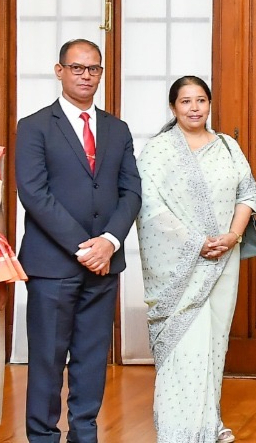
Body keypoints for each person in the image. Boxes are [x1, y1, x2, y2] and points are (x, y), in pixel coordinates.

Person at [15, 39, 141, 443]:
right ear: (60, 71)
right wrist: (86, 247)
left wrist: (110, 242)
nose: (86, 76)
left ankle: (84, 434)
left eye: (94, 69)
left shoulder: (117, 129)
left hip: (105, 264)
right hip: (52, 265)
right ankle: (42, 436)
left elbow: (131, 192)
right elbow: (34, 194)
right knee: (48, 360)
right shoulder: (34, 126)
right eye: (77, 68)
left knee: (91, 358)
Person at [136, 76, 256, 443]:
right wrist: (195, 244)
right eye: (186, 101)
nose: (194, 108)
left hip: (224, 258)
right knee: (186, 342)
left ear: (209, 104)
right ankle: (178, 430)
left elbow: (248, 193)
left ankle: (209, 422)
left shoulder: (227, 146)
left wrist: (232, 236)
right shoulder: (158, 150)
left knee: (215, 341)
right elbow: (150, 208)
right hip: (179, 264)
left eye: (201, 100)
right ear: (173, 107)